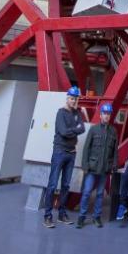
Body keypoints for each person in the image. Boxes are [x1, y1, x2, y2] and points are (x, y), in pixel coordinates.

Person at [42, 86, 85, 228]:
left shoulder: (77, 113)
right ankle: (47, 216)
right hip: (60, 151)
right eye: (72, 98)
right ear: (67, 98)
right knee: (53, 184)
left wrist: (71, 130)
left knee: (66, 185)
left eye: (75, 99)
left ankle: (61, 214)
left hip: (71, 153)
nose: (73, 101)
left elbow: (82, 128)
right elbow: (63, 132)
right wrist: (75, 130)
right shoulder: (60, 113)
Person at [76, 102, 118, 228]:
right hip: (92, 167)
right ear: (100, 115)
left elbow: (115, 151)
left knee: (100, 193)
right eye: (104, 113)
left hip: (105, 169)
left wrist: (114, 165)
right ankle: (81, 217)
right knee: (87, 192)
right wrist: (85, 165)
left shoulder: (113, 132)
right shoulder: (93, 129)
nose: (106, 116)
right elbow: (86, 148)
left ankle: (97, 217)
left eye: (108, 114)